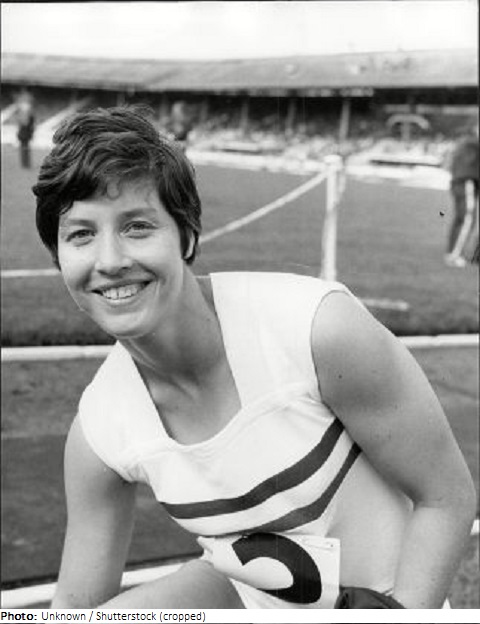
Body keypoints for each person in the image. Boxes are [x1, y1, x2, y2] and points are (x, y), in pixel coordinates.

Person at [32, 106, 476, 610]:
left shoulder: (316, 330)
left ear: (187, 236)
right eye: (81, 234)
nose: (110, 261)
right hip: (246, 600)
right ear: (59, 258)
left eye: (137, 226)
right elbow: (73, 607)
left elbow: (445, 497)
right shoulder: (98, 431)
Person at [444, 127, 479, 268]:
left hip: (459, 183)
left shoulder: (464, 144)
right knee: (467, 218)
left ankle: (452, 252)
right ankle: (454, 254)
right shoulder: (472, 144)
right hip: (466, 182)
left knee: (461, 218)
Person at [14, 90, 36, 169]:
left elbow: (28, 125)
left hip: (25, 135)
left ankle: (25, 164)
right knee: (25, 149)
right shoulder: (27, 117)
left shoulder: (27, 117)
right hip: (25, 135)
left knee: (25, 149)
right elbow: (27, 126)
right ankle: (25, 164)